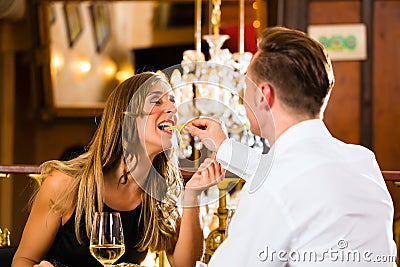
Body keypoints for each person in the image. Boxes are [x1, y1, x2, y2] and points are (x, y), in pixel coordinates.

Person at [185, 26, 397, 266]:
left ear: (264, 95)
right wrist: (224, 147)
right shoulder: (362, 162)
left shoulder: (274, 186)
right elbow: (295, 176)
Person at [12, 72, 224, 267]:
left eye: (172, 101)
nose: (172, 108)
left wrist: (193, 195)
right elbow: (24, 260)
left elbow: (186, 265)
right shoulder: (65, 184)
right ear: (126, 118)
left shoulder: (159, 193)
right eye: (156, 101)